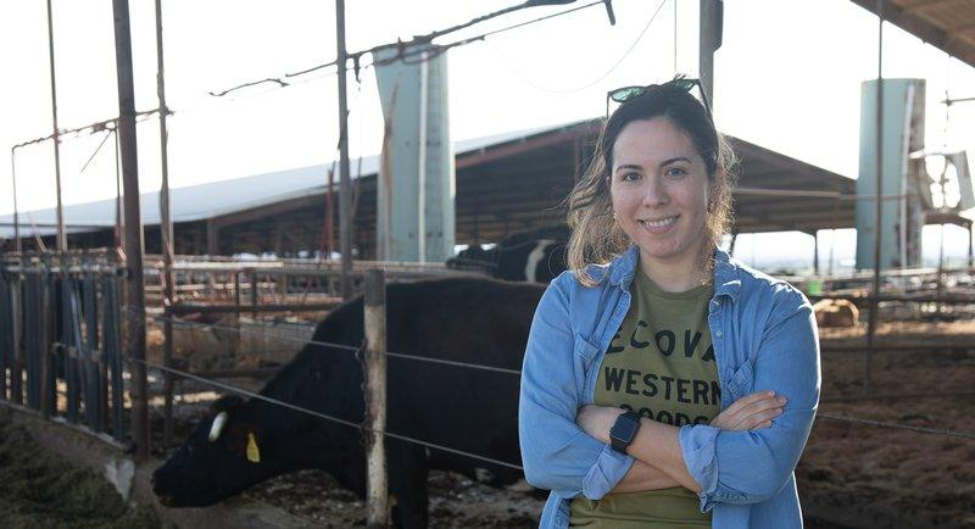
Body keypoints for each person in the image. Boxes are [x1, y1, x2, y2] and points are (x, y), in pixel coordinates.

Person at [518, 77, 820, 529]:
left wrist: (622, 429)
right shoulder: (571, 300)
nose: (653, 196)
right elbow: (545, 461)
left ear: (713, 183)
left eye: (675, 171)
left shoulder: (778, 313)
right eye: (632, 175)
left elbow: (760, 472)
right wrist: (715, 441)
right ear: (612, 188)